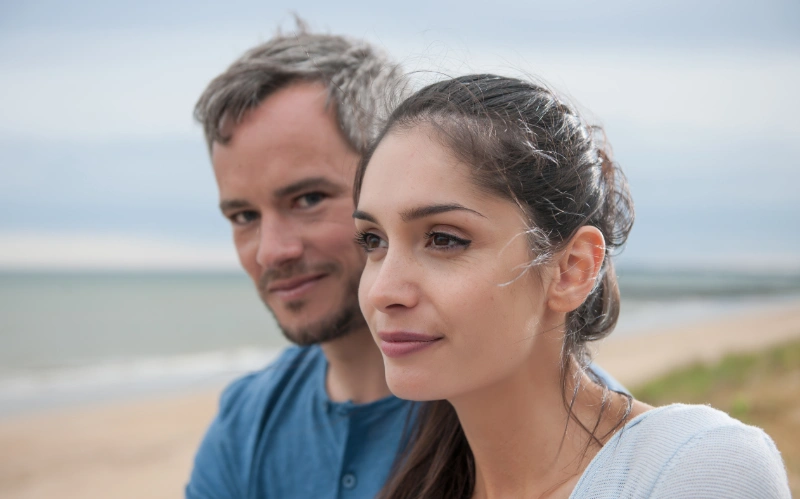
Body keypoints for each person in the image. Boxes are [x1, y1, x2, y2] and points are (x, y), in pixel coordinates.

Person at [187, 23, 626, 498]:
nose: (272, 250)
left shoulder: (515, 408)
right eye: (243, 215)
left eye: (309, 198)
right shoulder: (247, 420)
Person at [353, 73, 791, 498]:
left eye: (444, 239)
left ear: (572, 270)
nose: (382, 291)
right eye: (373, 241)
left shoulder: (692, 469)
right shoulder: (416, 480)